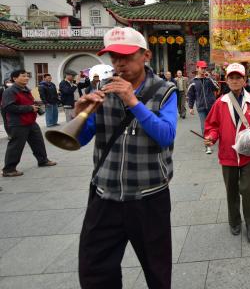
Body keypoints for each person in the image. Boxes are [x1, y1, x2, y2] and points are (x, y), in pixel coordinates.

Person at [75, 27, 177, 289]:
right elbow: (80, 139)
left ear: (146, 56)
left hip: (148, 195)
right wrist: (79, 116)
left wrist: (134, 102)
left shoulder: (165, 91)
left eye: (127, 56)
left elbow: (166, 135)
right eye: (113, 57)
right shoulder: (103, 90)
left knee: (157, 269)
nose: (120, 63)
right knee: (93, 269)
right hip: (104, 194)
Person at [204, 63, 250, 243]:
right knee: (231, 189)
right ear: (226, 79)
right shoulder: (220, 102)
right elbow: (212, 126)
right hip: (228, 154)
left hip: (249, 152)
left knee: (249, 189)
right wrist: (211, 136)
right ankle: (234, 221)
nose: (234, 80)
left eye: (238, 77)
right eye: (231, 77)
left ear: (244, 80)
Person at [2, 69, 57, 177]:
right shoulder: (10, 91)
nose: (26, 78)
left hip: (31, 121)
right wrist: (29, 108)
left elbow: (29, 102)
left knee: (38, 142)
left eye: (27, 76)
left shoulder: (26, 89)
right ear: (15, 78)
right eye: (23, 76)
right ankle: (8, 169)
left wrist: (35, 105)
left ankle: (43, 160)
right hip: (18, 123)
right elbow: (8, 107)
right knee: (16, 146)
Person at [187, 60, 219, 154]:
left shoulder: (209, 79)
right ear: (197, 68)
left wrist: (210, 78)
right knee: (204, 126)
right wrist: (191, 107)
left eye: (205, 68)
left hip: (211, 106)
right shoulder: (193, 82)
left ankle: (213, 138)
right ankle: (208, 146)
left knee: (214, 124)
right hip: (201, 107)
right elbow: (190, 95)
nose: (204, 70)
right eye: (202, 68)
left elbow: (217, 87)